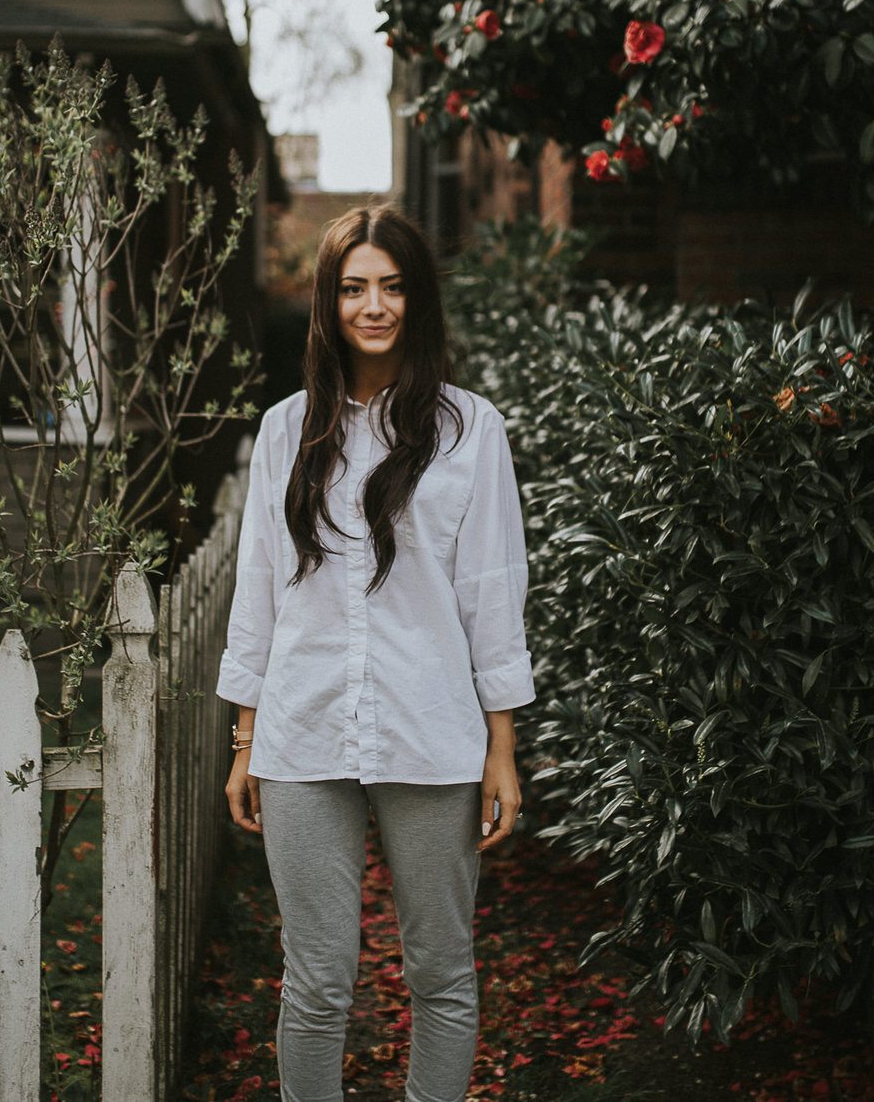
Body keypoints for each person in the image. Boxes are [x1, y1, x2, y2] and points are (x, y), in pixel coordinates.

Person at [216, 204, 532, 1102]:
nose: (374, 305)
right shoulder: (285, 430)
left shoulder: (473, 431)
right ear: (329, 302)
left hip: (433, 734)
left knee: (441, 970)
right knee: (316, 979)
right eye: (353, 287)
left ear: (417, 298)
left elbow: (492, 594)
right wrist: (245, 743)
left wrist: (500, 746)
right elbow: (260, 591)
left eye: (392, 286)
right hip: (302, 734)